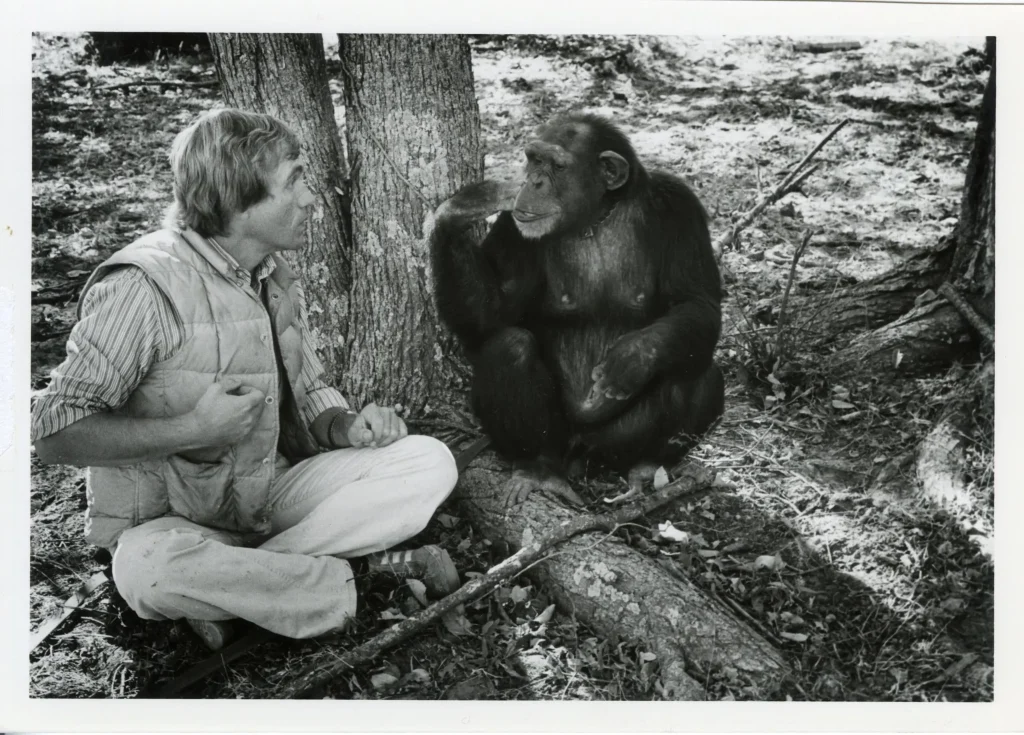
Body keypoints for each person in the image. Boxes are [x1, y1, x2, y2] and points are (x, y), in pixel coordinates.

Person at [31, 108, 460, 651]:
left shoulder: (271, 271)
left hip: (268, 497)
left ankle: (239, 587)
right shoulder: (143, 287)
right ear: (238, 202)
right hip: (172, 524)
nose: (311, 198)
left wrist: (348, 426)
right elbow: (54, 434)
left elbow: (308, 393)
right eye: (294, 181)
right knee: (147, 571)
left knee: (428, 461)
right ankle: (361, 578)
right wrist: (192, 429)